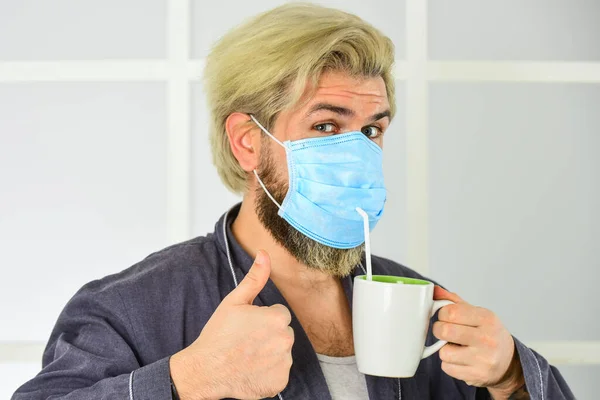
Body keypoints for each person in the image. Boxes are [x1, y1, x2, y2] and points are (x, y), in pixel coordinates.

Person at [13, 3, 573, 400]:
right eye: (327, 125)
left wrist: (512, 380)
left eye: (372, 130)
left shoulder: (421, 307)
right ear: (248, 141)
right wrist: (188, 381)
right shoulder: (131, 309)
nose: (355, 152)